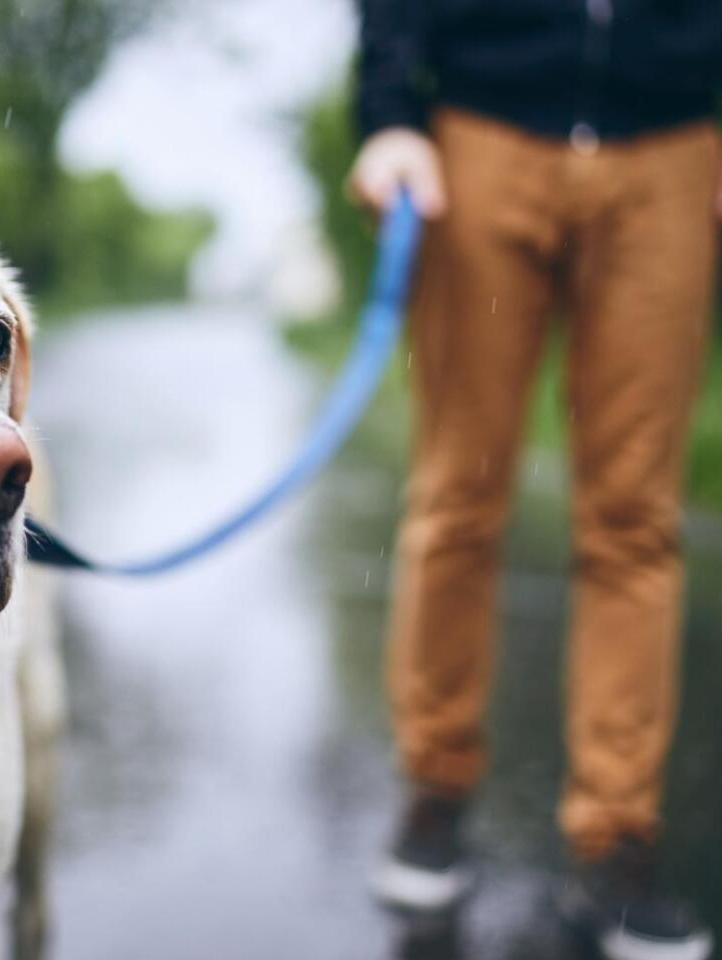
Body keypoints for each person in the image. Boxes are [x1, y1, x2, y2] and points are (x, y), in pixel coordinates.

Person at [349, 2, 722, 958]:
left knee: (637, 518)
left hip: (675, 144)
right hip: (481, 131)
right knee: (459, 497)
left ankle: (619, 839)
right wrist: (390, 111)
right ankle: (434, 795)